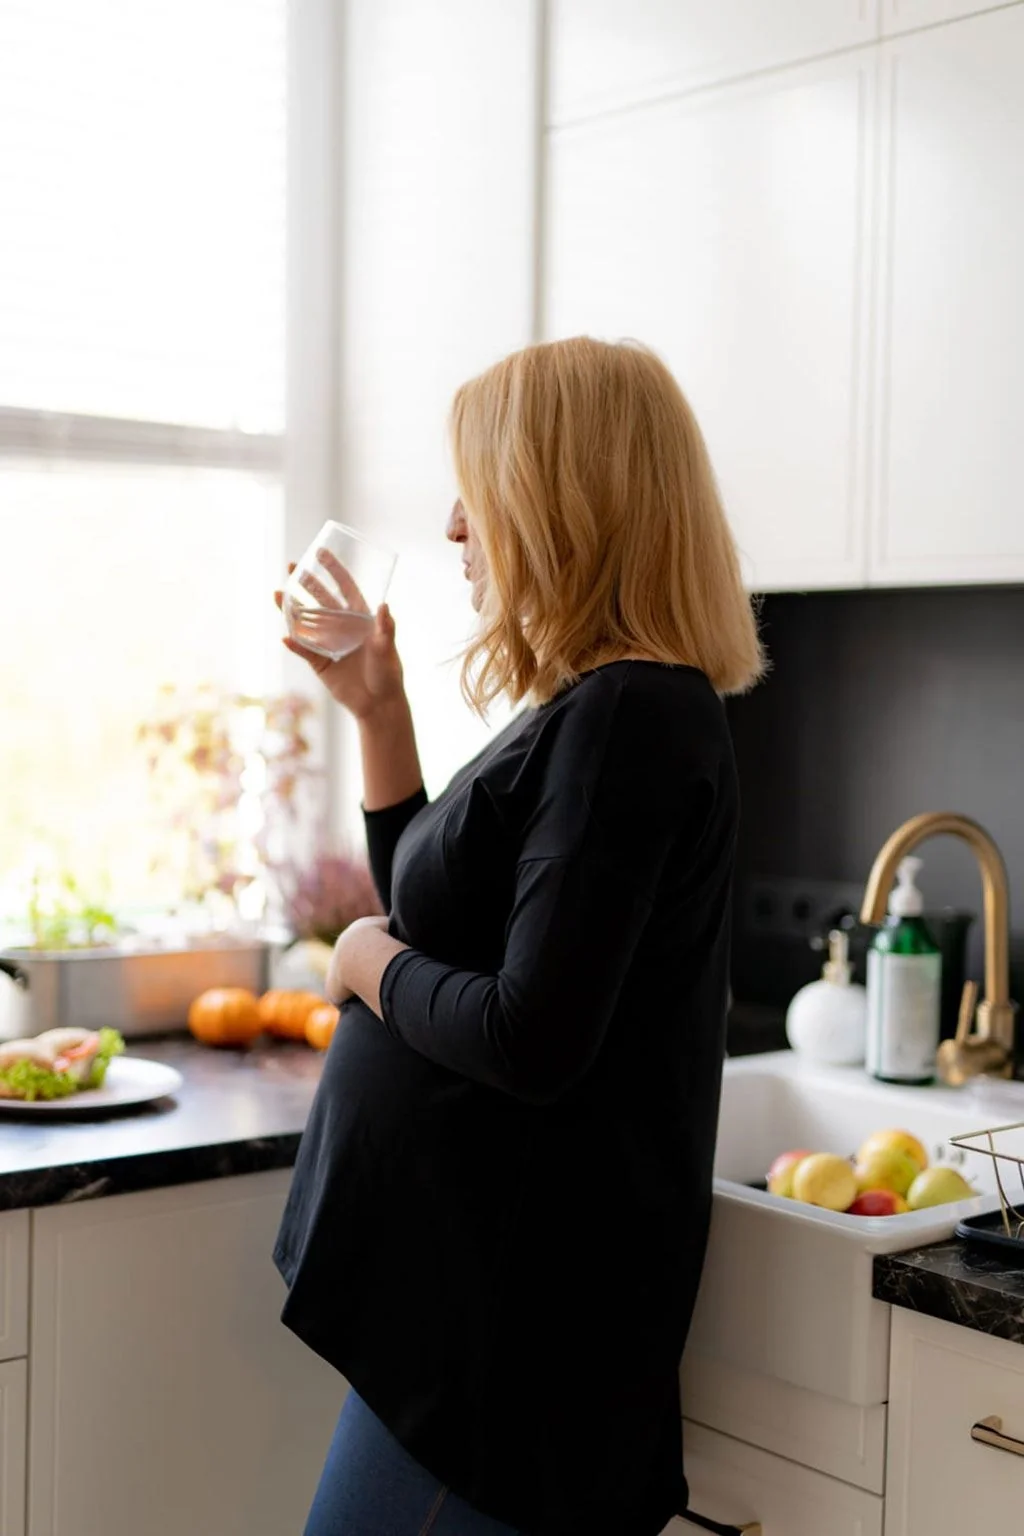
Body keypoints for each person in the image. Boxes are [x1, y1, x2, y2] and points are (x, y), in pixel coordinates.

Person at [273, 336, 764, 1536]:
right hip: (473, 1319)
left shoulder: (628, 717)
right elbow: (440, 916)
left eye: (475, 489)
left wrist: (361, 962)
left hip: (508, 1349)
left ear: (562, 502)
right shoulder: (597, 707)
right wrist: (381, 715)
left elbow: (528, 1033)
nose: (451, 526)